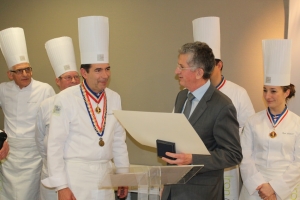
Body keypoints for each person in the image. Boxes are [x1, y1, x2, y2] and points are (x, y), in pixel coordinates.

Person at [42, 16, 129, 200]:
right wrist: (62, 186)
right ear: (84, 72)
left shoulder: (114, 98)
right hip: (76, 178)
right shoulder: (65, 98)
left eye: (107, 69)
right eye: (98, 70)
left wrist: (123, 175)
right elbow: (55, 144)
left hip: (106, 175)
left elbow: (119, 140)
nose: (104, 75)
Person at [161, 41, 243, 200]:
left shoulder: (222, 106)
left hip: (201, 193)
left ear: (198, 72)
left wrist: (193, 159)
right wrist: (166, 184)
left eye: (181, 67)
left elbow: (233, 154)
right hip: (173, 189)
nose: (176, 71)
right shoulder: (182, 97)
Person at [193, 16, 255, 199]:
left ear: (219, 65)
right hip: (195, 163)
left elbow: (248, 130)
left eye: (208, 66)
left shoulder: (238, 93)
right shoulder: (189, 94)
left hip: (225, 164)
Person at [239, 39, 300, 200]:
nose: (267, 96)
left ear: (286, 92)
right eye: (265, 90)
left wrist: (274, 189)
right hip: (254, 189)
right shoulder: (253, 121)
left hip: (285, 190)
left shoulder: (297, 124)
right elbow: (245, 156)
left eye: (273, 91)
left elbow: (298, 162)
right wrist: (261, 186)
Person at [0, 27, 55, 200]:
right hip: (10, 155)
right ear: (10, 75)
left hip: (34, 155)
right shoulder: (2, 89)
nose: (25, 74)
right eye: (20, 71)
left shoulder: (45, 89)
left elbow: (53, 122)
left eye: (28, 69)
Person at [35, 36, 81, 200]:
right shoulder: (46, 105)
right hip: (51, 175)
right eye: (68, 78)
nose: (74, 81)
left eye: (76, 77)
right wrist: (51, 160)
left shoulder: (86, 105)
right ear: (57, 81)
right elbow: (40, 140)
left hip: (77, 175)